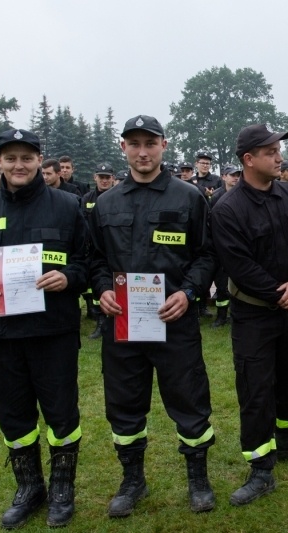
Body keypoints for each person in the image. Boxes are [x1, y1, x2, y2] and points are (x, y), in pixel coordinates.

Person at [0, 129, 88, 528]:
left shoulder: (67, 205)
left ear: (38, 161)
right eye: (10, 158)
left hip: (52, 332)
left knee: (61, 413)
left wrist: (69, 277)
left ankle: (62, 488)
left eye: (26, 158)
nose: (19, 165)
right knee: (13, 415)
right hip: (0, 335)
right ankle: (30, 487)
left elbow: (86, 260)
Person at [88, 115, 216, 516]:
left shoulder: (188, 197)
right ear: (123, 147)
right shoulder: (106, 203)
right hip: (123, 325)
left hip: (174, 321)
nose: (142, 151)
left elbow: (207, 254)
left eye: (150, 143)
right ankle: (133, 480)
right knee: (124, 403)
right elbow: (93, 260)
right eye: (134, 144)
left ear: (164, 145)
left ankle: (198, 478)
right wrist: (103, 289)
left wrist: (189, 292)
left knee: (189, 399)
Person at [211, 123, 288, 506]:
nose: (279, 157)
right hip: (255, 314)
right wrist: (285, 294)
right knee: (256, 389)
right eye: (270, 151)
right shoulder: (228, 208)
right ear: (248, 159)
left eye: (278, 150)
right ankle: (260, 468)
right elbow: (240, 267)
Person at [81, 163, 115, 339]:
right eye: (101, 177)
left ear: (112, 179)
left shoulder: (117, 198)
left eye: (107, 177)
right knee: (97, 286)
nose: (104, 180)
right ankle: (100, 322)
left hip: (111, 248)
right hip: (91, 247)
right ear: (95, 178)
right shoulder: (87, 198)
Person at [206, 164, 242, 328]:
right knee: (221, 283)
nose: (235, 177)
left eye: (237, 175)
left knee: (240, 282)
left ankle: (238, 315)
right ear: (223, 177)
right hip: (221, 247)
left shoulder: (244, 194)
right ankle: (221, 316)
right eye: (232, 174)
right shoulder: (217, 197)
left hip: (240, 246)